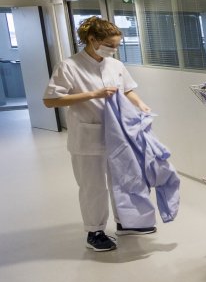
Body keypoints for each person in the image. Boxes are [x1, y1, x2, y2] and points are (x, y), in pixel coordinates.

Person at [43, 17, 156, 252]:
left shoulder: (114, 64)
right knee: (93, 186)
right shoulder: (69, 66)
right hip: (87, 136)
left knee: (122, 181)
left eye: (116, 46)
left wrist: (141, 105)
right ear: (92, 40)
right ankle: (94, 231)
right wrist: (94, 94)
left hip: (118, 136)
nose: (113, 50)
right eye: (110, 45)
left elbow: (128, 90)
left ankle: (125, 222)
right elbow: (50, 100)